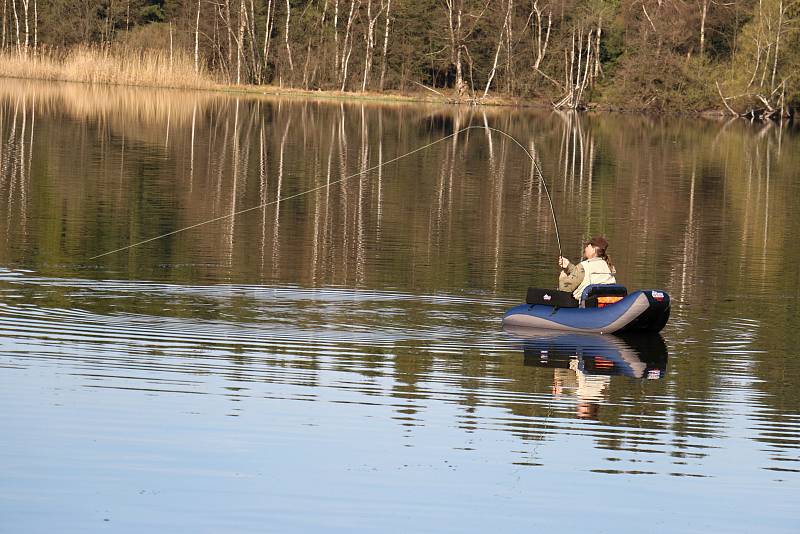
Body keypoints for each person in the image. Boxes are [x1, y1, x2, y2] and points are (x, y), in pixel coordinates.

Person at [558, 236, 616, 301]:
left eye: (587, 246)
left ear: (593, 250)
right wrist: (568, 266)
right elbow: (585, 275)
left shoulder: (584, 266)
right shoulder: (609, 267)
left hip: (584, 307)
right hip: (603, 304)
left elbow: (564, 289)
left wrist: (562, 278)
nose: (585, 249)